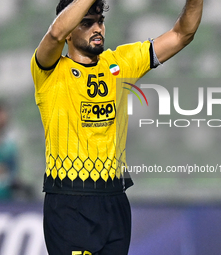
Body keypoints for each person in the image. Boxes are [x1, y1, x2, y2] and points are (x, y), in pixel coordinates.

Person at [30, 0, 203, 254]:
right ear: (69, 32)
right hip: (69, 202)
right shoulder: (49, 71)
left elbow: (181, 34)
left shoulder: (121, 63)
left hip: (114, 200)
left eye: (100, 21)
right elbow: (55, 33)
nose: (97, 28)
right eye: (87, 23)